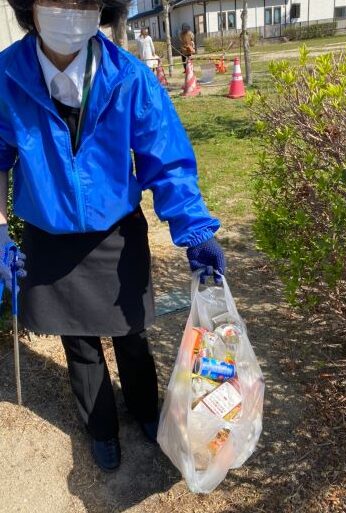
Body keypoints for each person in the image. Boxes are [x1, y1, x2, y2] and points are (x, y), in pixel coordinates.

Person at [0, 0, 226, 473]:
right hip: (49, 234)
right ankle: (100, 427)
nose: (71, 11)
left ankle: (145, 410)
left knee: (132, 332)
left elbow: (165, 159)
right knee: (78, 341)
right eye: (57, 0)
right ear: (29, 7)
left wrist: (195, 231)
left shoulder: (128, 76)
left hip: (116, 233)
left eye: (84, 2)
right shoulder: (6, 77)